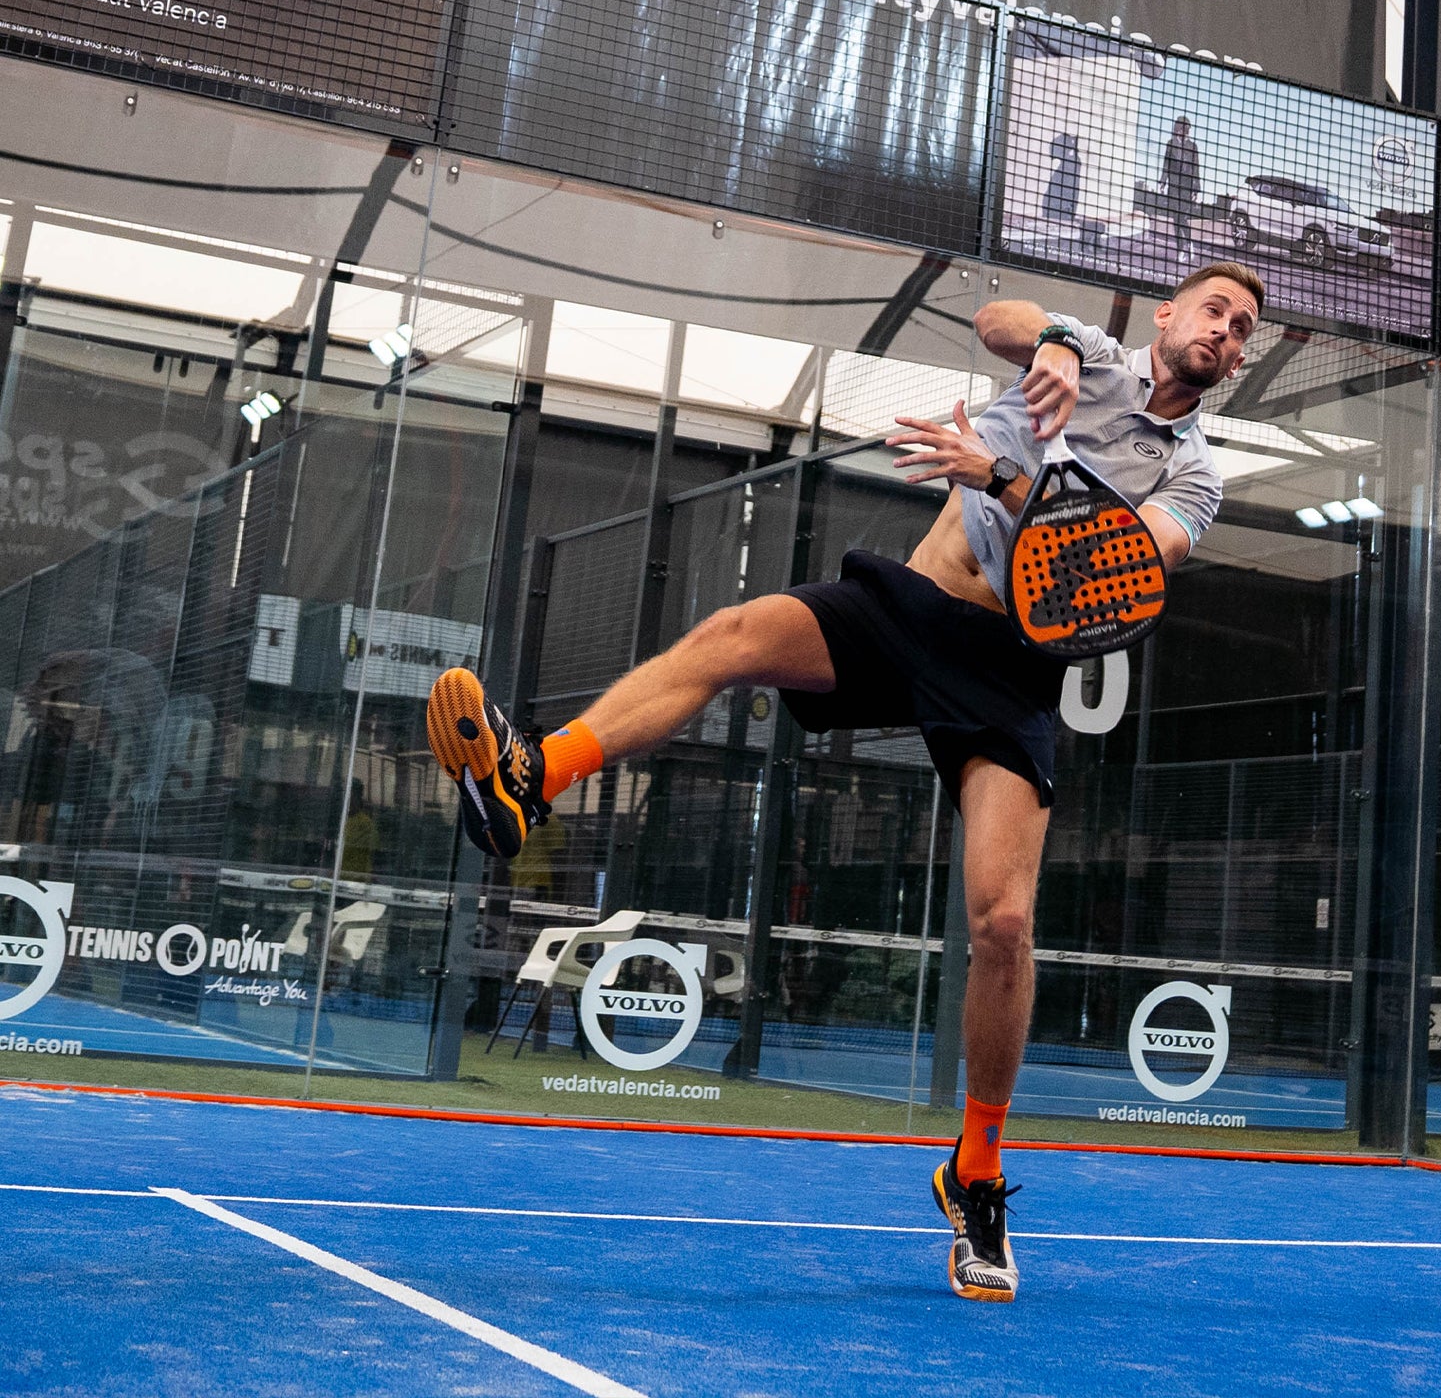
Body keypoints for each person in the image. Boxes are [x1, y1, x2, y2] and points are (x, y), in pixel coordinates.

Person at [425, 261, 1263, 1303]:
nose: (1227, 333)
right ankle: (528, 779)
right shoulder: (1085, 355)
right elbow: (994, 316)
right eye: (1216, 310)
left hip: (1012, 669)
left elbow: (1125, 562)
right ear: (1172, 313)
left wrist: (1002, 477)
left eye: (1244, 329)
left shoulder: (1198, 475)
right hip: (914, 606)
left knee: (1003, 922)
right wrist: (1049, 334)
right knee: (734, 634)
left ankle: (978, 1172)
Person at [1161, 116, 1202, 265]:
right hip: (1173, 185)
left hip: (1186, 186)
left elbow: (1196, 167)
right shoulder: (1170, 144)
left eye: (1186, 127)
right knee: (1175, 219)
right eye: (1181, 126)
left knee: (1182, 218)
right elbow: (1166, 163)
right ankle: (1180, 250)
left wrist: (1196, 188)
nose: (1184, 129)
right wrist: (1162, 181)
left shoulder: (1193, 146)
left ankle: (1189, 244)